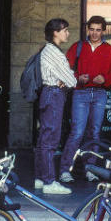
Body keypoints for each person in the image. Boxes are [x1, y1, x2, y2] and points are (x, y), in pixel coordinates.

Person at [60, 15, 111, 182]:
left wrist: (106, 81)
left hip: (100, 94)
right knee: (77, 132)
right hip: (80, 94)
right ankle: (65, 170)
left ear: (103, 31)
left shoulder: (110, 50)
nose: (94, 33)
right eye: (92, 29)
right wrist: (78, 77)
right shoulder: (77, 47)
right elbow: (65, 69)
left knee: (94, 133)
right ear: (88, 29)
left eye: (98, 30)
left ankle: (90, 169)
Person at [34, 18, 77, 195]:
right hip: (53, 95)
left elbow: (66, 78)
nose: (67, 33)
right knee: (50, 139)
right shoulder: (52, 51)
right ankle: (49, 181)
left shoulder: (50, 50)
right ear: (55, 33)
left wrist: (65, 79)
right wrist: (66, 80)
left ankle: (40, 178)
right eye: (64, 30)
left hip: (50, 95)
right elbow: (72, 80)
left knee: (45, 137)